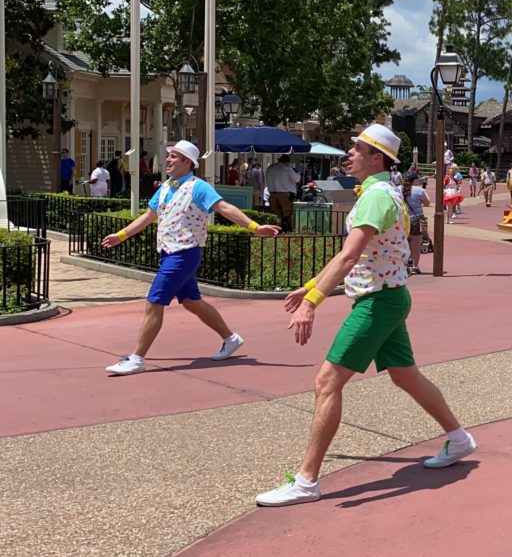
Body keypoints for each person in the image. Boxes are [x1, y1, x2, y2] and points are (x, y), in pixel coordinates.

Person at [255, 124, 476, 507]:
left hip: (377, 302)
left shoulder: (376, 196)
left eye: (357, 149)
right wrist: (310, 287)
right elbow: (355, 258)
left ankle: (306, 481)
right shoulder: (380, 193)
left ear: (376, 158)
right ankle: (459, 439)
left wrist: (313, 302)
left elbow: (350, 256)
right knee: (406, 377)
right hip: (387, 297)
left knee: (327, 381)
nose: (349, 154)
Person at [99, 141, 281, 375]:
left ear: (188, 162)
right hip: (168, 253)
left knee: (154, 302)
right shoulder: (165, 186)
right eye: (169, 156)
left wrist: (254, 227)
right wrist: (121, 235)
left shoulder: (199, 187)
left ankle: (137, 358)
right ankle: (231, 338)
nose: (169, 160)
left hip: (184, 254)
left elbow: (224, 207)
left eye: (174, 156)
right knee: (191, 301)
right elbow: (148, 216)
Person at [402, 174, 431, 274]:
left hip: (403, 218)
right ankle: (415, 266)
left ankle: (404, 263)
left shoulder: (398, 189)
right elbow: (427, 203)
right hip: (417, 218)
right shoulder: (419, 190)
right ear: (414, 180)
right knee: (416, 243)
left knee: (403, 241)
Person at [266, 154, 302, 231]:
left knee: (276, 214)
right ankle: (286, 229)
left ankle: (276, 229)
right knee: (287, 214)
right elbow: (297, 179)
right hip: (285, 194)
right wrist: (298, 173)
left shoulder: (270, 168)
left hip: (272, 193)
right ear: (288, 161)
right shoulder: (287, 169)